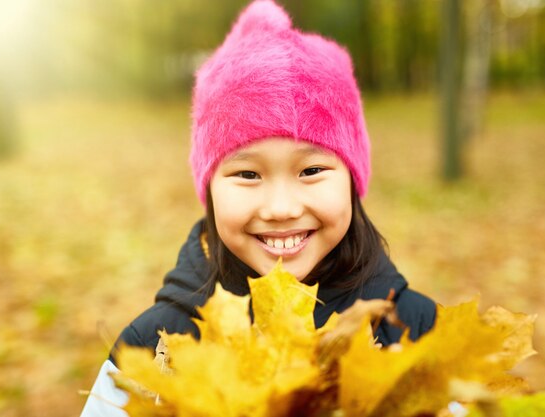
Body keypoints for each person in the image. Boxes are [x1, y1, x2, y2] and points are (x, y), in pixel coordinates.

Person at [80, 1, 436, 415]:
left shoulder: (418, 333)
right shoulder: (154, 347)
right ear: (210, 188)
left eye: (312, 169)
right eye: (248, 174)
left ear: (352, 180)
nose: (281, 208)